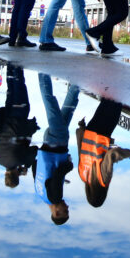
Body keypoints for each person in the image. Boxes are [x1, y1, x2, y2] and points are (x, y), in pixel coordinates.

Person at [0, 64, 39, 188]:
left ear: (17, 176)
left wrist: (24, 166)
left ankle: (17, 63)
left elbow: (34, 150)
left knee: (19, 86)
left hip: (19, 117)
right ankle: (10, 65)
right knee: (11, 88)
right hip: (7, 116)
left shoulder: (21, 160)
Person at [35, 73, 79, 225]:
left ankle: (42, 71)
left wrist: (69, 166)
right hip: (48, 144)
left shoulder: (55, 198)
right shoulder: (40, 194)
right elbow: (36, 168)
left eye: (65, 210)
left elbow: (58, 174)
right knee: (69, 107)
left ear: (56, 212)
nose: (67, 207)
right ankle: (77, 82)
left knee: (50, 103)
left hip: (57, 144)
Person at [76, 98, 130, 208]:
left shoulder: (103, 180)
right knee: (107, 100)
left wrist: (127, 154)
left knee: (117, 100)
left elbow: (111, 155)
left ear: (102, 194)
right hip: (90, 131)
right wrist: (82, 128)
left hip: (103, 134)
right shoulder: (82, 174)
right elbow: (80, 149)